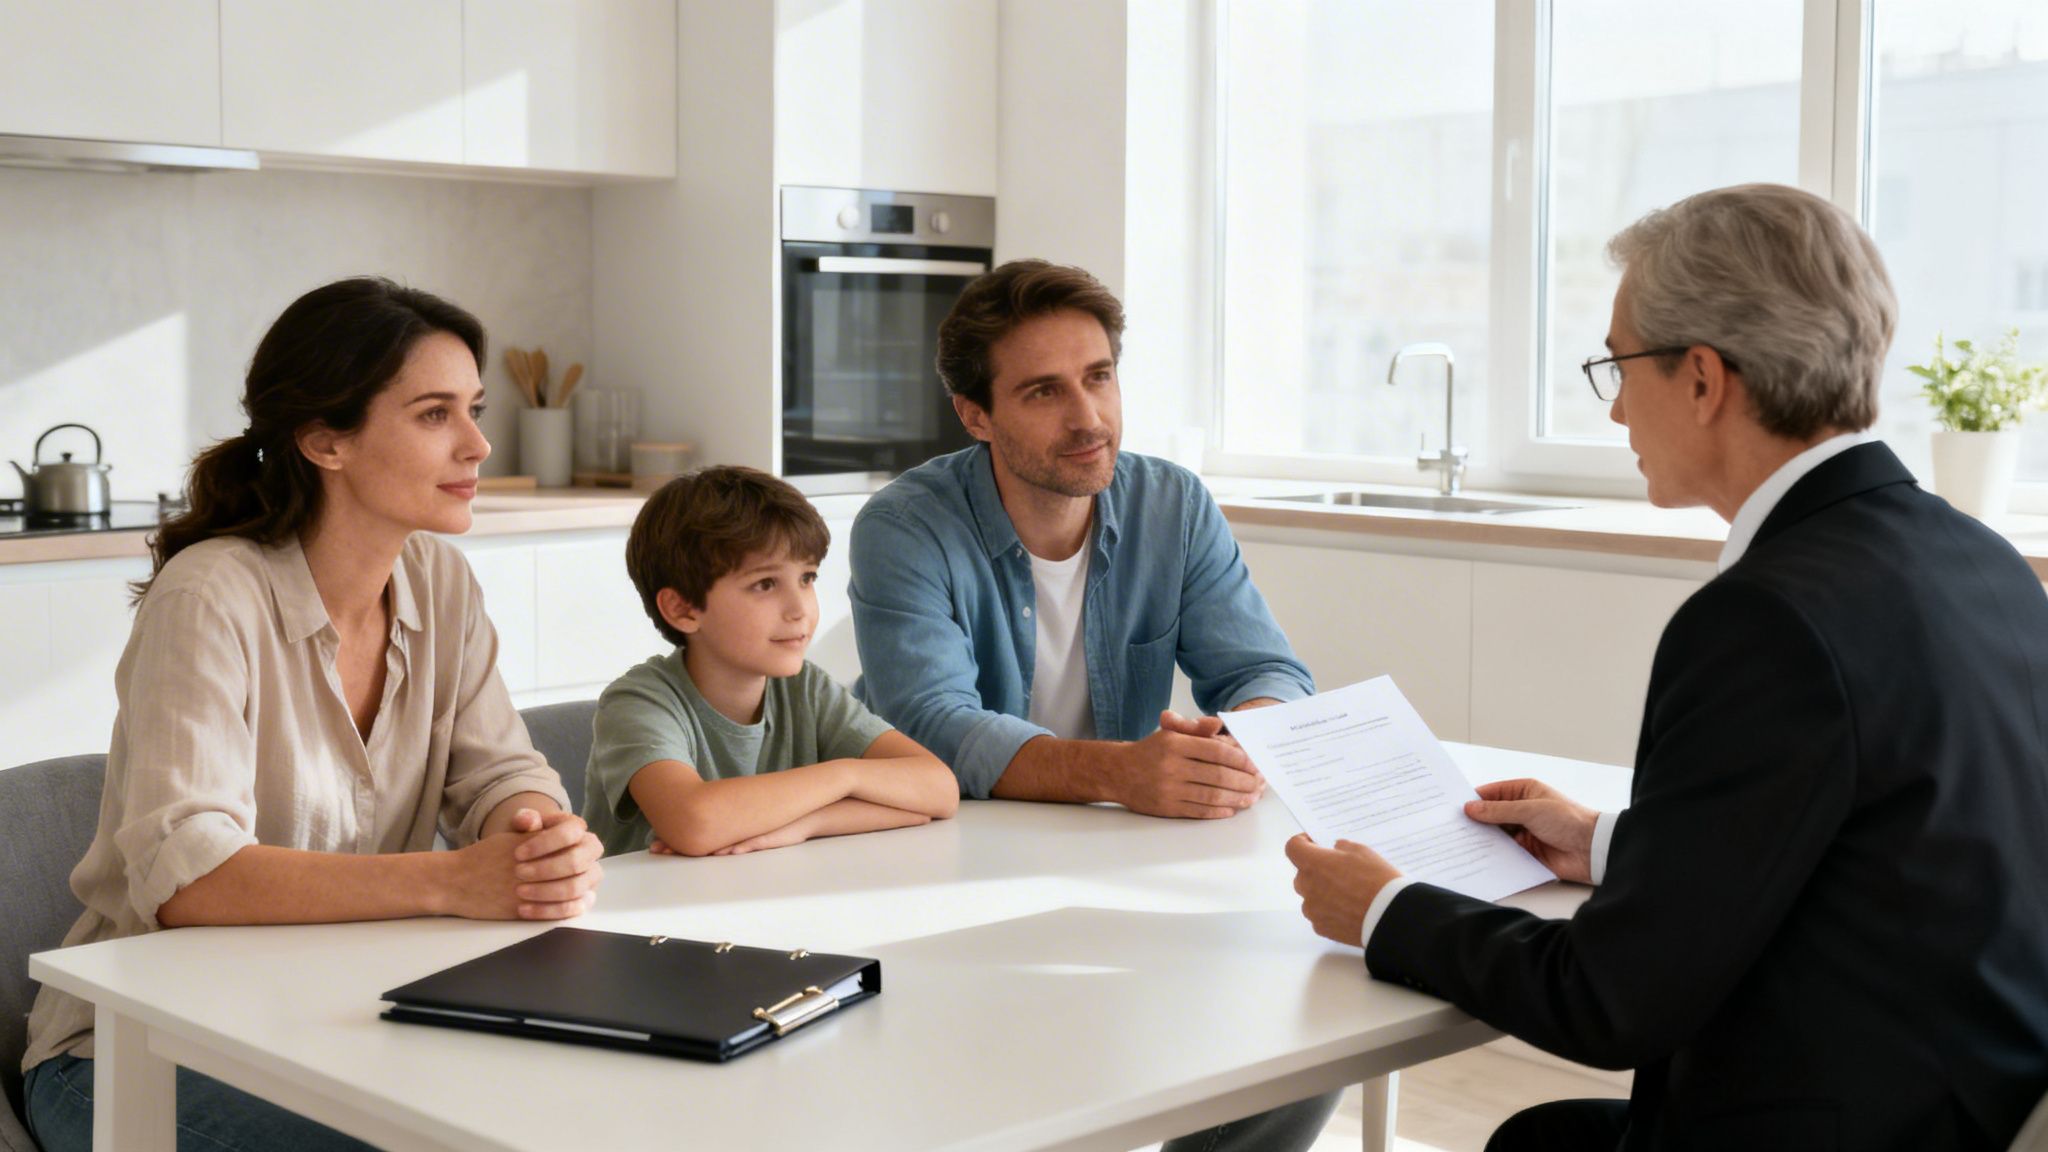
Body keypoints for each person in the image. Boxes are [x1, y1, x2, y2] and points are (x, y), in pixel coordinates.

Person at [1287, 183, 2048, 1151]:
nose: (1611, 414)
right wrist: (1607, 843)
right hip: (1963, 1105)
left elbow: (1608, 1004)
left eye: (1616, 365)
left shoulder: (1761, 619)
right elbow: (1868, 847)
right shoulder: (1980, 560)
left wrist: (1384, 909)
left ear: (1700, 379)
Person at [20, 277, 605, 1152]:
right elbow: (191, 881)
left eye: (473, 408)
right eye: (435, 414)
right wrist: (456, 880)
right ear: (325, 440)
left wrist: (537, 838)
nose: (480, 444)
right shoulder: (211, 596)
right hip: (133, 1059)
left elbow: (499, 773)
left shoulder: (440, 582)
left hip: (334, 1029)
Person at [849, 259, 1338, 1151]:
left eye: (1099, 377)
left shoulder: (1172, 503)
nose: (1088, 417)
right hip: (938, 867)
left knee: (1304, 1028)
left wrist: (1240, 740)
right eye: (1043, 391)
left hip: (1115, 856)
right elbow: (934, 722)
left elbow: (1266, 668)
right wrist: (1125, 774)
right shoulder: (905, 525)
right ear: (975, 414)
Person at [583, 465, 956, 858]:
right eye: (765, 585)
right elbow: (696, 823)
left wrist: (810, 823)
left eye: (807, 578)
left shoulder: (806, 689)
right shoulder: (638, 702)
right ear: (683, 608)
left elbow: (938, 788)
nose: (800, 609)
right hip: (644, 915)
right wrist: (843, 781)